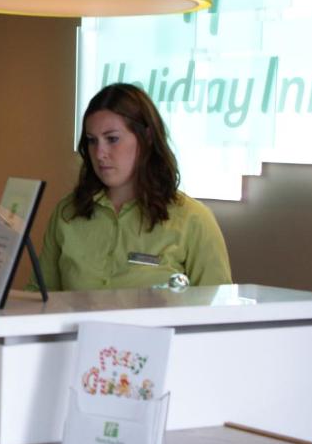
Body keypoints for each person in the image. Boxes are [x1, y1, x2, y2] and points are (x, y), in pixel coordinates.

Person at [34, 83, 231, 291]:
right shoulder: (67, 213)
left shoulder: (193, 219)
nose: (100, 153)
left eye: (112, 139)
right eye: (92, 141)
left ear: (146, 137)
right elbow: (40, 300)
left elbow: (217, 313)